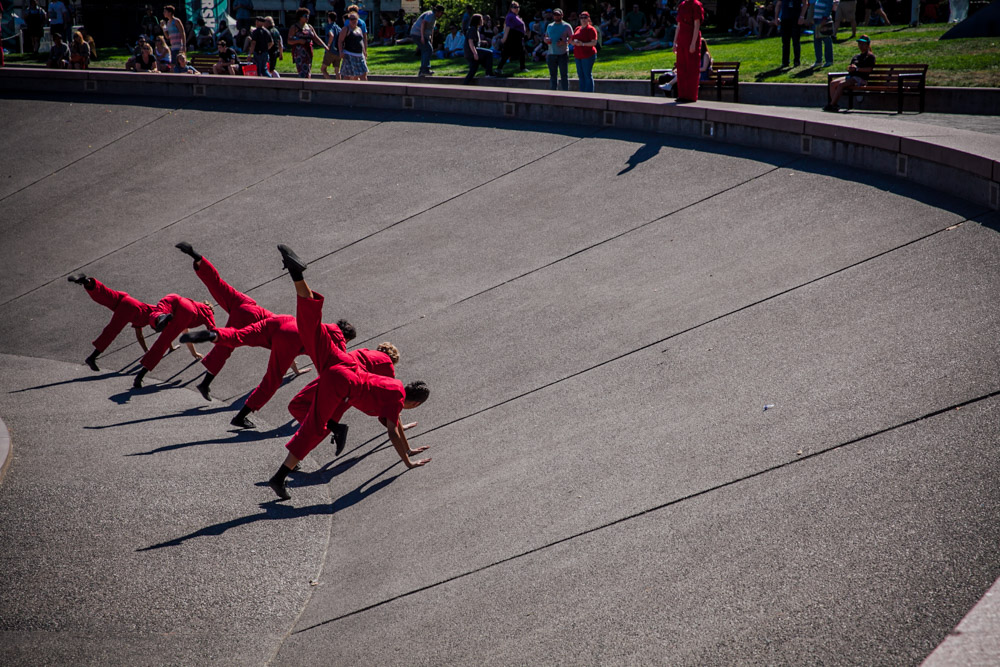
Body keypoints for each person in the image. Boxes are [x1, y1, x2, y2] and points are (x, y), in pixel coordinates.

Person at [266, 245, 431, 501]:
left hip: (343, 361)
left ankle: (297, 276)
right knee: (314, 427)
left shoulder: (394, 388)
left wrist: (408, 447)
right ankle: (279, 477)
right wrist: (407, 461)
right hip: (344, 381)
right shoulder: (395, 397)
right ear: (415, 403)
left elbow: (395, 424)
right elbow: (392, 430)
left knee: (312, 328)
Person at [180, 316, 355, 429]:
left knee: (240, 336)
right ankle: (240, 417)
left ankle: (213, 335)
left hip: (283, 321)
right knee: (272, 380)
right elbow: (336, 371)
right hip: (291, 338)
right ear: (346, 337)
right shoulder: (338, 339)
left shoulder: (322, 324)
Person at [173, 242, 276, 399]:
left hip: (245, 302)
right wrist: (295, 370)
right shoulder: (289, 334)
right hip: (252, 317)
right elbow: (281, 350)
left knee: (218, 284)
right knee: (225, 346)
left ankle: (197, 258)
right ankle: (205, 383)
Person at [67, 274, 156, 371]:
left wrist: (147, 351)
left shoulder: (151, 312)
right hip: (129, 309)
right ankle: (92, 357)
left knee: (105, 294)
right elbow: (162, 332)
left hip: (125, 299)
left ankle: (87, 282)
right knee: (111, 332)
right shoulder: (149, 318)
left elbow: (140, 336)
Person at [132, 294, 215, 389]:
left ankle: (159, 318)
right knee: (163, 342)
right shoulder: (208, 312)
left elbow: (186, 334)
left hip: (176, 299)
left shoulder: (194, 304)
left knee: (160, 309)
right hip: (187, 312)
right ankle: (139, 377)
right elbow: (214, 331)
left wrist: (194, 353)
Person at [824, 34, 875, 111]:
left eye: (863, 44)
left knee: (841, 85)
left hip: (860, 78)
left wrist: (857, 69)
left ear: (867, 45)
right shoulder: (856, 56)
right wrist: (850, 68)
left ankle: (831, 105)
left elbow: (869, 69)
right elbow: (850, 67)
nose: (860, 45)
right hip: (851, 76)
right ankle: (834, 104)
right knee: (833, 83)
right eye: (859, 43)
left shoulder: (870, 56)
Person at [672, 0, 704, 102]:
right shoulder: (682, 5)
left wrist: (693, 43)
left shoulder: (696, 5)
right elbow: (679, 25)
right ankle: (682, 94)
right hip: (682, 39)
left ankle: (690, 95)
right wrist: (675, 42)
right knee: (681, 67)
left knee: (691, 67)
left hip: (691, 38)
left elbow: (697, 25)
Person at [288, 7, 327, 78]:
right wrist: (299, 41)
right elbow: (289, 41)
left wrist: (324, 46)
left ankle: (308, 84)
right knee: (302, 71)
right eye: (305, 16)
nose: (307, 17)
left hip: (308, 51)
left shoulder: (309, 27)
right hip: (299, 52)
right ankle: (302, 85)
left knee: (308, 69)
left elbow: (315, 38)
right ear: (300, 17)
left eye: (308, 16)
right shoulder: (294, 27)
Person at [411, 4, 444, 77]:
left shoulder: (433, 16)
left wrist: (431, 39)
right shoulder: (430, 15)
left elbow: (431, 29)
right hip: (418, 34)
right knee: (428, 50)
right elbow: (423, 24)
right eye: (441, 13)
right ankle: (425, 70)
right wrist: (422, 36)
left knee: (426, 50)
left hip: (419, 34)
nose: (441, 15)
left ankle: (422, 71)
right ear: (438, 11)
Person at [545, 8, 572, 90]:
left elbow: (572, 38)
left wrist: (564, 42)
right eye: (555, 15)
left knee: (564, 75)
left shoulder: (567, 26)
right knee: (553, 75)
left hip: (562, 54)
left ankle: (565, 92)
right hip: (551, 54)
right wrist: (546, 40)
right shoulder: (549, 26)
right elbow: (545, 36)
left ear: (562, 15)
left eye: (558, 15)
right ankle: (553, 93)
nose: (556, 16)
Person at [571, 11, 599, 92]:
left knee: (587, 75)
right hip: (578, 55)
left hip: (588, 55)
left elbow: (594, 42)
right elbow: (571, 40)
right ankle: (582, 93)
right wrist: (574, 43)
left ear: (588, 19)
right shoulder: (577, 28)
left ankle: (589, 94)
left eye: (585, 17)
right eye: (581, 18)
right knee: (580, 75)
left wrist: (582, 44)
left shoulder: (591, 29)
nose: (583, 19)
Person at [463, 13, 495, 82]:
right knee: (489, 53)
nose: (482, 21)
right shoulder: (472, 29)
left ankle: (464, 85)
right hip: (471, 52)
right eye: (481, 20)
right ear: (477, 21)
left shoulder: (475, 29)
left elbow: (474, 41)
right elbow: (470, 41)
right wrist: (475, 53)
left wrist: (482, 42)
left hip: (471, 51)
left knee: (473, 70)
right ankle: (489, 73)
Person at [497, 1, 527, 75]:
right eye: (514, 7)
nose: (517, 8)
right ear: (511, 8)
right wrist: (504, 39)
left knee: (520, 51)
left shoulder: (515, 16)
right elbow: (507, 27)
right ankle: (499, 69)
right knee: (508, 52)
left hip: (518, 36)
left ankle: (522, 67)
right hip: (513, 36)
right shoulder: (510, 16)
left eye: (518, 7)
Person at [338, 12, 369, 81]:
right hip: (349, 54)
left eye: (354, 19)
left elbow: (362, 41)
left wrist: (364, 52)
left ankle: (364, 89)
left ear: (357, 19)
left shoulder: (359, 29)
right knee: (348, 75)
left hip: (359, 55)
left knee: (363, 74)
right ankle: (345, 90)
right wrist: (340, 51)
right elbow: (340, 41)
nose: (353, 21)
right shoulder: (346, 29)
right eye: (351, 19)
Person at [776, 0, 807, 68]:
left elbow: (805, 3)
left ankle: (796, 61)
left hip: (795, 18)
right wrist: (776, 17)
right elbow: (778, 4)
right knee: (785, 42)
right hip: (785, 18)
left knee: (796, 41)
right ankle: (785, 61)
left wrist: (802, 16)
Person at [161, 5, 186, 73]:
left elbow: (182, 33)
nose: (164, 13)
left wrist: (183, 45)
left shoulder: (176, 21)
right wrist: (163, 27)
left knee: (180, 64)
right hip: (173, 47)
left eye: (165, 11)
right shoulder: (168, 23)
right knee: (172, 65)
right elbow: (167, 37)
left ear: (170, 12)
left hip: (179, 46)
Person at [810, 0, 835, 67]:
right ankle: (818, 61)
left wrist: (825, 18)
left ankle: (829, 60)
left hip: (824, 20)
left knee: (826, 40)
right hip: (817, 19)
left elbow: (829, 6)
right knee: (817, 40)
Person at [321, 11, 342, 78]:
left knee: (323, 69)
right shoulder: (338, 28)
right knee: (337, 70)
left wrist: (328, 45)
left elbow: (331, 35)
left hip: (330, 51)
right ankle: (339, 84)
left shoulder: (329, 26)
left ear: (329, 18)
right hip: (338, 52)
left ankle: (330, 83)